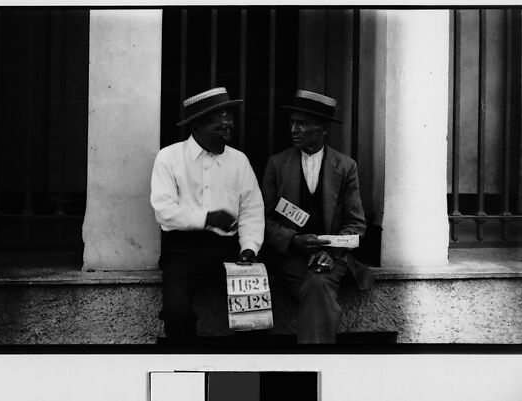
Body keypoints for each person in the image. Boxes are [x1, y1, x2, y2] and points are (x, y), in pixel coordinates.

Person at [150, 87, 265, 344]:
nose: (227, 134)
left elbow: (251, 210)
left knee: (255, 314)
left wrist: (249, 247)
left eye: (229, 127)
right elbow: (164, 211)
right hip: (183, 251)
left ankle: (246, 367)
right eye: (220, 128)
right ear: (197, 128)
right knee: (176, 312)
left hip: (229, 248)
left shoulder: (239, 161)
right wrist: (207, 218)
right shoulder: (169, 158)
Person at [261, 89, 373, 344]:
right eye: (292, 122)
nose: (294, 129)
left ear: (322, 128)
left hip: (332, 256)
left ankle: (311, 360)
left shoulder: (345, 166)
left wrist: (330, 251)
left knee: (318, 282)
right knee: (318, 287)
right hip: (290, 257)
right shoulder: (276, 165)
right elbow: (263, 218)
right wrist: (293, 240)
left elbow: (356, 224)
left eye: (302, 123)